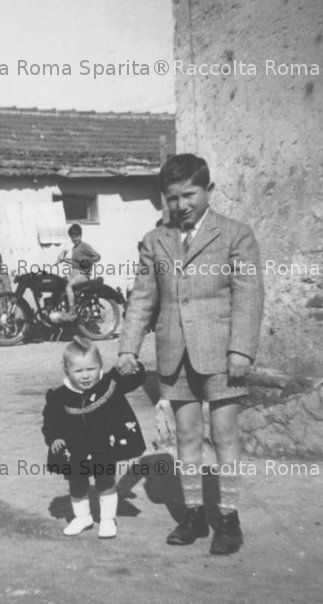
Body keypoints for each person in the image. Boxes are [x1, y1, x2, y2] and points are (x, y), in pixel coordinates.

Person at [117, 154, 264, 554]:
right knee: (186, 436)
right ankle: (194, 515)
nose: (180, 205)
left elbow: (249, 296)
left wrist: (241, 350)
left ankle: (228, 520)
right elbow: (142, 298)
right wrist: (128, 348)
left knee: (224, 435)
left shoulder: (235, 234)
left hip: (222, 354)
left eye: (189, 195)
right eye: (172, 198)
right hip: (174, 353)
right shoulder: (155, 240)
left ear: (208, 190)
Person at [42, 336, 146, 539]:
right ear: (67, 371)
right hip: (75, 448)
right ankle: (82, 517)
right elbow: (51, 419)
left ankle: (107, 520)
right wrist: (54, 437)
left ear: (100, 365)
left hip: (103, 446)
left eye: (91, 369)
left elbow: (134, 379)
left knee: (105, 481)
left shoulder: (109, 383)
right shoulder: (60, 396)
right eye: (78, 371)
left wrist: (133, 367)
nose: (85, 376)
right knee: (77, 482)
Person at [56, 223, 101, 319]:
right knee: (60, 284)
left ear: (81, 235)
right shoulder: (74, 248)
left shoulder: (84, 246)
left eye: (76, 235)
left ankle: (72, 311)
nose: (74, 238)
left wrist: (88, 262)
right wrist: (65, 260)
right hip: (75, 274)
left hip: (83, 274)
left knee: (69, 287)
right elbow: (75, 263)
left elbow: (97, 256)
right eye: (72, 236)